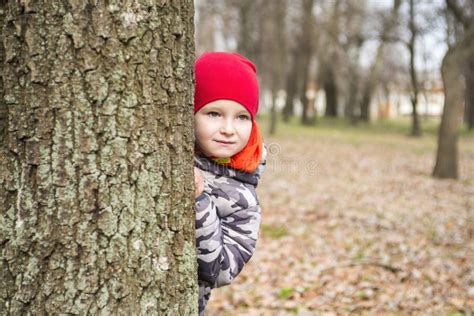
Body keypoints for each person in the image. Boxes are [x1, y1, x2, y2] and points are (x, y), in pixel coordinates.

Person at [193, 51, 266, 314]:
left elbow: (223, 270)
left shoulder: (243, 198)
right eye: (213, 113)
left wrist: (200, 203)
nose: (228, 128)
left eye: (242, 117)